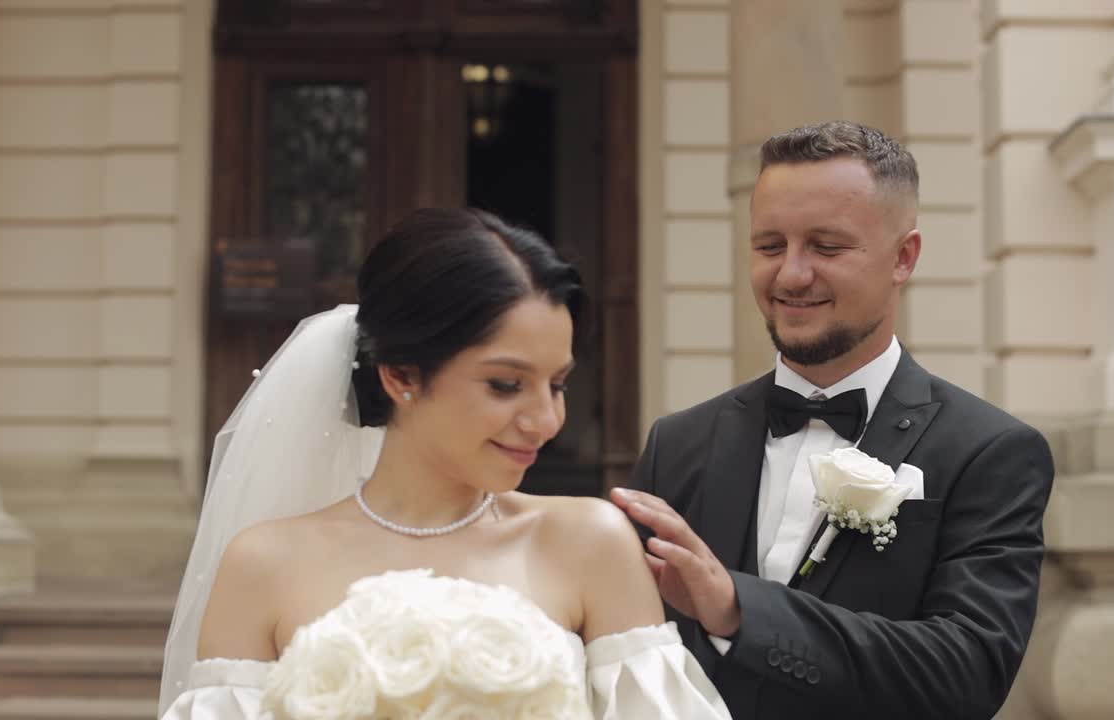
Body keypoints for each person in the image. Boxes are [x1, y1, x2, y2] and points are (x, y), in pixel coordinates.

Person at [158, 208, 732, 719]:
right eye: (506, 384)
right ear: (400, 375)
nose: (546, 420)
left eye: (557, 385)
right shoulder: (263, 565)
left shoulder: (591, 542)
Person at [612, 121, 1055, 719]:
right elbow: (626, 646)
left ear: (903, 257)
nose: (791, 275)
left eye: (826, 247)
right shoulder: (678, 442)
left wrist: (739, 609)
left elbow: (968, 671)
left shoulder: (990, 451)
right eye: (770, 246)